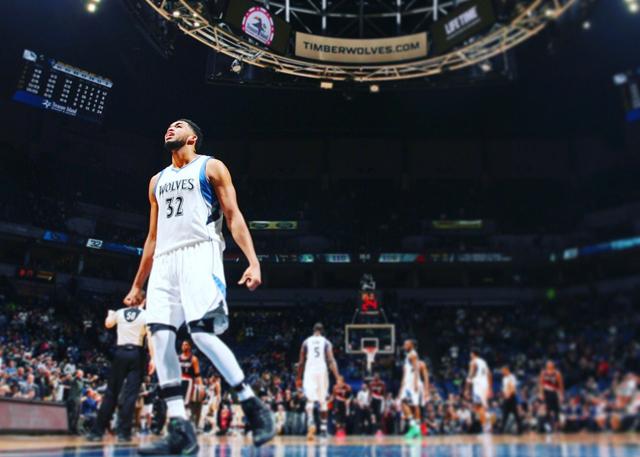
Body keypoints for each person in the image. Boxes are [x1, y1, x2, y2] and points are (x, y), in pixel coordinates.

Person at [123, 119, 275, 455]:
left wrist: (253, 260)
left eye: (177, 126)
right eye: (167, 126)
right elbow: (151, 237)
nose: (169, 129)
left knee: (202, 333)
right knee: (159, 337)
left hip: (200, 252)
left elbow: (233, 215)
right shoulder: (156, 181)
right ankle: (180, 428)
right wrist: (138, 285)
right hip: (164, 261)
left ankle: (253, 407)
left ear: (192, 137)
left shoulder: (211, 166)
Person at [87, 305, 147, 441]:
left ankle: (97, 432)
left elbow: (108, 324)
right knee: (130, 396)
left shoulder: (119, 312)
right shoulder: (146, 314)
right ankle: (124, 434)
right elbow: (150, 337)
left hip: (120, 352)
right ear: (142, 302)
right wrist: (154, 359)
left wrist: (110, 314)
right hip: (137, 353)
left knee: (111, 393)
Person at [296, 323, 340, 441]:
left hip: (310, 371)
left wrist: (298, 378)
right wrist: (337, 377)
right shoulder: (326, 342)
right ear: (322, 331)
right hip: (322, 371)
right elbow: (331, 360)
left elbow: (300, 363)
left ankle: (311, 422)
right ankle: (324, 430)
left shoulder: (306, 342)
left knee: (310, 400)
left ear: (313, 330)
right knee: (323, 401)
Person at [179, 341, 205, 428]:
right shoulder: (178, 357)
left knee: (189, 403)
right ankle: (180, 423)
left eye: (185, 344)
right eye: (182, 344)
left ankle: (192, 424)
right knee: (179, 403)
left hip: (189, 382)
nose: (183, 346)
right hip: (180, 381)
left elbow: (197, 375)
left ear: (190, 346)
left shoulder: (193, 359)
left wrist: (201, 386)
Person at [466, 348, 492, 433]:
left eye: (471, 354)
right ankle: (486, 421)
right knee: (479, 407)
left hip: (477, 385)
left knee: (478, 406)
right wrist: (490, 388)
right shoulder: (484, 362)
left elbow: (470, 375)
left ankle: (486, 425)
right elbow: (489, 374)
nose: (470, 356)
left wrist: (466, 388)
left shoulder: (473, 362)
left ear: (473, 354)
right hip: (485, 384)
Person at [399, 339, 421, 438]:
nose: (404, 345)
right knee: (408, 404)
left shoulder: (413, 354)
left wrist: (416, 382)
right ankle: (415, 428)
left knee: (408, 403)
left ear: (411, 345)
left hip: (411, 383)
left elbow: (416, 368)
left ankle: (414, 428)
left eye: (406, 344)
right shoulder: (409, 355)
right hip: (408, 383)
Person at [539, 360, 564, 431]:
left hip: (554, 392)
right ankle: (548, 425)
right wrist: (541, 393)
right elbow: (541, 384)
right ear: (546, 365)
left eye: (551, 364)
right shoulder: (543, 373)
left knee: (556, 410)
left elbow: (561, 385)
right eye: (548, 364)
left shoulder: (557, 373)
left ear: (553, 365)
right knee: (547, 410)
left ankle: (557, 426)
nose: (549, 366)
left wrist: (561, 395)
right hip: (546, 392)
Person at [500, 365, 521, 434]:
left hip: (511, 397)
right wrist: (505, 395)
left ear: (507, 370)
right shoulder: (504, 379)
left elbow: (513, 388)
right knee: (504, 414)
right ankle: (502, 430)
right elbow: (504, 388)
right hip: (506, 397)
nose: (502, 372)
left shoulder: (512, 377)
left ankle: (520, 430)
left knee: (516, 414)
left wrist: (509, 395)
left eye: (503, 371)